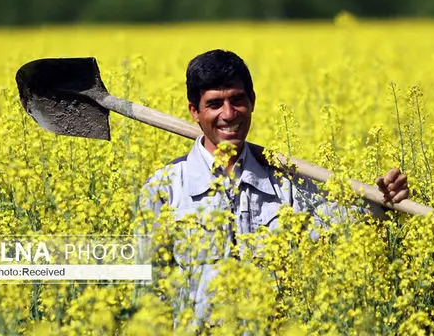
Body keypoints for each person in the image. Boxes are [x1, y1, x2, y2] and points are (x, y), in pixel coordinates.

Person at [138, 49, 409, 318]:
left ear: (252, 101)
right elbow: (141, 285)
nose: (229, 114)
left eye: (237, 100)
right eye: (214, 104)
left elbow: (349, 221)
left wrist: (385, 198)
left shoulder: (286, 184)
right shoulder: (166, 188)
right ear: (194, 111)